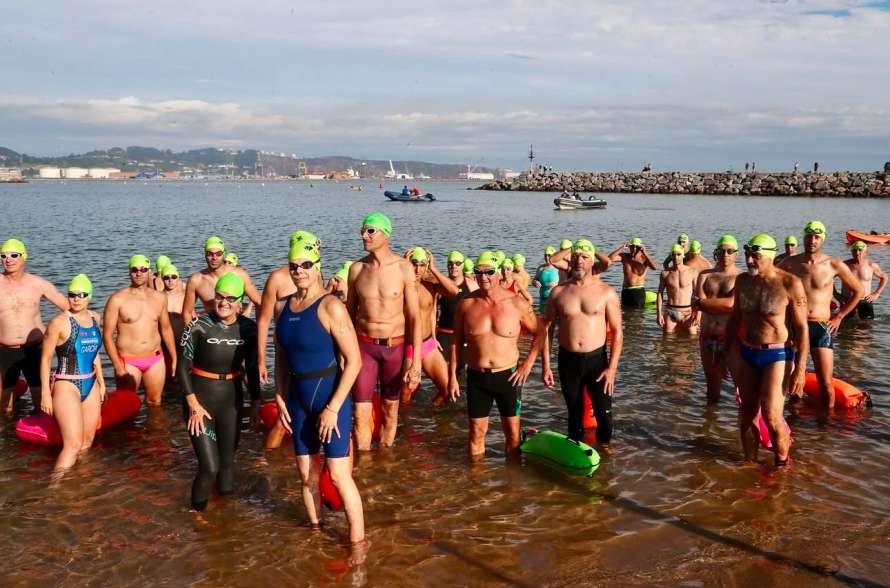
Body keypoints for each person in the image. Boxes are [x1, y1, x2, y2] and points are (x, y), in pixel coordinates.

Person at [274, 241, 365, 543]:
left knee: (338, 475)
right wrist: (279, 394)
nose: (299, 271)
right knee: (306, 475)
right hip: (297, 400)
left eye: (306, 265)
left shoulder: (330, 306)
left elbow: (354, 361)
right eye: (294, 266)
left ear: (317, 267)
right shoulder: (282, 307)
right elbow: (281, 357)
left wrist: (333, 408)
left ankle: (358, 543)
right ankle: (316, 534)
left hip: (329, 397)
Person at [177, 273, 260, 511]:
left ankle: (226, 513)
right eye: (219, 297)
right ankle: (196, 514)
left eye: (230, 298)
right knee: (209, 466)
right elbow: (181, 368)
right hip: (200, 400)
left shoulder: (248, 329)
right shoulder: (198, 325)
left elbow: (252, 368)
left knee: (227, 463)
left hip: (231, 400)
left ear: (240, 302)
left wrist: (256, 402)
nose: (224, 302)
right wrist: (193, 404)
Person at [447, 251, 539, 460]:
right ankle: (476, 479)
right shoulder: (466, 304)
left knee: (512, 435)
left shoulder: (516, 303)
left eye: (489, 272)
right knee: (476, 433)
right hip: (477, 377)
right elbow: (455, 342)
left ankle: (512, 478)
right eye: (479, 272)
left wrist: (528, 364)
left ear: (498, 273)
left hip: (508, 376)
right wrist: (452, 376)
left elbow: (540, 332)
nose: (483, 277)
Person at [725, 234, 807, 466]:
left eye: (756, 256)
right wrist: (724, 354)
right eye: (747, 255)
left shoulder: (790, 283)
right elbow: (734, 319)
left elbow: (802, 329)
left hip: (777, 354)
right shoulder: (742, 281)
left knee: (771, 415)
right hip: (748, 352)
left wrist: (800, 369)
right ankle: (749, 464)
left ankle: (781, 465)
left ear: (770, 256)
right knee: (747, 412)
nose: (750, 260)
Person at [347, 212, 422, 449]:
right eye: (362, 231)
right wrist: (344, 352)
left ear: (386, 234)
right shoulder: (357, 269)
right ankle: (365, 464)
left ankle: (386, 458)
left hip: (394, 347)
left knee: (390, 409)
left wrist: (416, 361)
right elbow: (348, 316)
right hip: (364, 347)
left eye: (370, 230)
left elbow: (414, 316)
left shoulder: (403, 268)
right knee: (360, 412)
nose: (364, 235)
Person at [537, 240, 623, 444]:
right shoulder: (558, 293)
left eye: (584, 257)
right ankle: (576, 453)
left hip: (597, 362)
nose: (579, 261)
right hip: (568, 361)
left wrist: (612, 368)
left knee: (604, 418)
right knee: (574, 417)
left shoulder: (606, 292)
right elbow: (547, 331)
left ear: (592, 261)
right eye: (576, 257)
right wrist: (546, 366)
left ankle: (605, 456)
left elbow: (618, 332)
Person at [778, 221, 863, 408]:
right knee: (793, 382)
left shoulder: (833, 264)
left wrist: (839, 316)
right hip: (795, 326)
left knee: (826, 384)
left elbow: (858, 291)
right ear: (804, 238)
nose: (812, 240)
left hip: (821, 327)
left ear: (822, 239)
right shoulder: (790, 263)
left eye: (817, 237)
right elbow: (772, 285)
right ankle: (795, 418)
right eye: (809, 236)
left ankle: (826, 423)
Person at [257, 230, 320, 449]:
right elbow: (263, 320)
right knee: (284, 417)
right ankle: (268, 457)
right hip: (287, 355)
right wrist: (261, 360)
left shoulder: (315, 273)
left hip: (311, 356)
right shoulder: (277, 278)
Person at [39, 274, 105, 471]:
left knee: (87, 441)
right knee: (73, 445)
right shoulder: (59, 322)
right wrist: (45, 394)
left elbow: (94, 353)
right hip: (67, 384)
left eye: (81, 294)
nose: (76, 299)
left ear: (89, 296)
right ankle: (55, 486)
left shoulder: (95, 318)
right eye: (72, 294)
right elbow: (46, 359)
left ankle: (80, 482)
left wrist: (101, 382)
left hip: (91, 383)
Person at [0, 238, 69, 414]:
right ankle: (9, 431)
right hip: (5, 350)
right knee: (5, 405)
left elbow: (69, 308)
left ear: (24, 256)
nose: (8, 259)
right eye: (3, 255)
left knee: (40, 399)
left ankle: (41, 425)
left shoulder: (38, 284)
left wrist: (94, 321)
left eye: (14, 255)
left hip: (35, 349)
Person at [103, 254, 177, 406]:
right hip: (128, 361)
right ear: (129, 272)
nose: (139, 273)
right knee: (126, 404)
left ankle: (155, 424)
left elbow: (166, 328)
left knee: (155, 402)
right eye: (134, 269)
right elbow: (107, 336)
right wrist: (117, 365)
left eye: (143, 269)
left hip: (155, 359)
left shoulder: (159, 297)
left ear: (149, 271)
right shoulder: (117, 299)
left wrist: (174, 357)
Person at [401, 247, 458, 404]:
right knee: (405, 396)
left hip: (428, 345)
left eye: (422, 265)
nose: (417, 269)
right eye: (414, 264)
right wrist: (403, 267)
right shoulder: (400, 286)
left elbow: (454, 290)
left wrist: (433, 268)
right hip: (409, 347)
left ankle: (432, 411)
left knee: (448, 390)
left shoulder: (430, 285)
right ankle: (405, 419)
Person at [692, 235, 742, 404]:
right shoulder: (705, 275)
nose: (725, 255)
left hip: (731, 339)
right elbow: (699, 305)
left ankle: (743, 419)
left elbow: (731, 304)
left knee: (740, 385)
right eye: (721, 251)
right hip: (706, 336)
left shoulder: (741, 277)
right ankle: (710, 418)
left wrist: (703, 303)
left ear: (736, 253)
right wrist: (703, 304)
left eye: (729, 251)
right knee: (712, 385)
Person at [181, 236, 261, 326]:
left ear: (224, 254)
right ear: (205, 255)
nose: (214, 258)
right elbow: (187, 313)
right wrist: (191, 333)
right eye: (210, 254)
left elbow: (259, 303)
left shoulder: (239, 275)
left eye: (218, 254)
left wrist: (259, 329)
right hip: (213, 328)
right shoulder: (196, 280)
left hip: (237, 327)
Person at [437, 251, 478, 376]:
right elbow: (431, 311)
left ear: (463, 265)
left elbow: (480, 310)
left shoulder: (471, 285)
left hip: (463, 335)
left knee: (461, 370)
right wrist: (432, 336)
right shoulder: (440, 285)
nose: (454, 266)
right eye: (450, 263)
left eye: (457, 263)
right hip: (444, 333)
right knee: (442, 372)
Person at [657, 244, 699, 334]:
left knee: (693, 338)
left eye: (678, 254)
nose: (676, 257)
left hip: (688, 312)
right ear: (671, 256)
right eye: (673, 254)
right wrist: (659, 314)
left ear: (683, 255)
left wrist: (698, 313)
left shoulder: (692, 272)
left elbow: (698, 294)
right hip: (670, 312)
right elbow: (660, 293)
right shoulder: (665, 273)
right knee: (667, 339)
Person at [838, 241, 886, 320]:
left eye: (860, 250)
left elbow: (884, 277)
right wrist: (836, 295)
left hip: (865, 301)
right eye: (854, 250)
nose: (857, 253)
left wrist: (877, 293)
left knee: (867, 325)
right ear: (851, 251)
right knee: (845, 325)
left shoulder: (871, 265)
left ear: (866, 251)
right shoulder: (844, 265)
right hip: (847, 300)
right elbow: (829, 278)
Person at [608, 237, 657, 308]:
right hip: (626, 291)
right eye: (632, 247)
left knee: (638, 313)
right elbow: (609, 259)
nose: (634, 249)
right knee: (625, 313)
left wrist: (645, 253)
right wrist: (621, 248)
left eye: (637, 247)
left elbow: (655, 267)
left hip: (638, 291)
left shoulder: (644, 259)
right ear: (629, 247)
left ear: (640, 248)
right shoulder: (624, 257)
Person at [160, 264, 186, 339]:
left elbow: (192, 316)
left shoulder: (184, 297)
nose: (170, 280)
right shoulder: (158, 298)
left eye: (173, 277)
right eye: (166, 277)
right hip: (165, 339)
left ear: (178, 278)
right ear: (162, 279)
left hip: (182, 338)